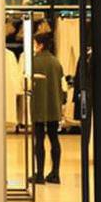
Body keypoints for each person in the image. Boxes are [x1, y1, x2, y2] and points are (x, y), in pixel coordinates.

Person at [31, 34, 64, 184]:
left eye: (35, 43)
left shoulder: (34, 62)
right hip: (54, 106)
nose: (34, 46)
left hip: (39, 105)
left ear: (41, 45)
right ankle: (55, 173)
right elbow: (62, 85)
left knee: (39, 139)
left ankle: (39, 174)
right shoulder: (56, 62)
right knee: (54, 138)